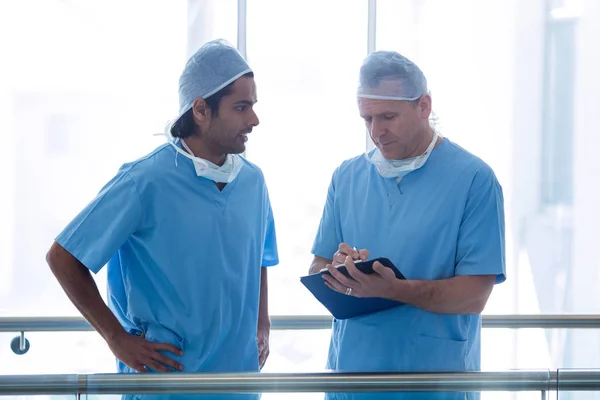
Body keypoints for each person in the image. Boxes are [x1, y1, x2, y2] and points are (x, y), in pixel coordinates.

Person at [46, 39, 279, 400]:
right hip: (164, 385)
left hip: (237, 384)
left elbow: (259, 257)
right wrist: (116, 338)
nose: (254, 119)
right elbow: (63, 257)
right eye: (241, 107)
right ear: (201, 110)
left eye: (253, 106)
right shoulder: (145, 182)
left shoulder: (253, 181)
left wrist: (262, 323)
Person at [309, 51, 506, 400]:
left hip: (434, 382)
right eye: (366, 118)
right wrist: (340, 272)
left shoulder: (474, 181)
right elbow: (319, 265)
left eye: (388, 116)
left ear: (424, 106)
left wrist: (394, 290)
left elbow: (476, 294)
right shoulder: (347, 177)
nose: (376, 131)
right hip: (352, 377)